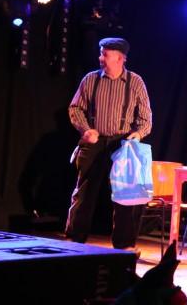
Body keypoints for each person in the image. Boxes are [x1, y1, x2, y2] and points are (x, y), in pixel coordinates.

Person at [65, 37, 152, 250]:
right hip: (95, 143)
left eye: (105, 54)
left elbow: (146, 119)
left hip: (123, 145)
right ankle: (74, 241)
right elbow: (75, 108)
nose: (100, 58)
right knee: (84, 194)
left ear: (120, 58)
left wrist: (137, 135)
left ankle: (124, 246)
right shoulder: (90, 79)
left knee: (125, 197)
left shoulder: (135, 82)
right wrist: (86, 130)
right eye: (101, 53)